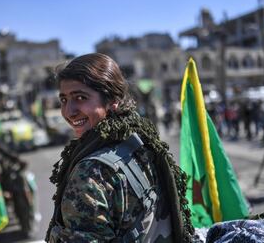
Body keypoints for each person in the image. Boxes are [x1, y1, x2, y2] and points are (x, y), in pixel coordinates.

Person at [46, 53, 193, 242]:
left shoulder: (92, 172)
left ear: (112, 100)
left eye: (80, 97)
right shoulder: (139, 142)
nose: (69, 111)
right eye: (64, 100)